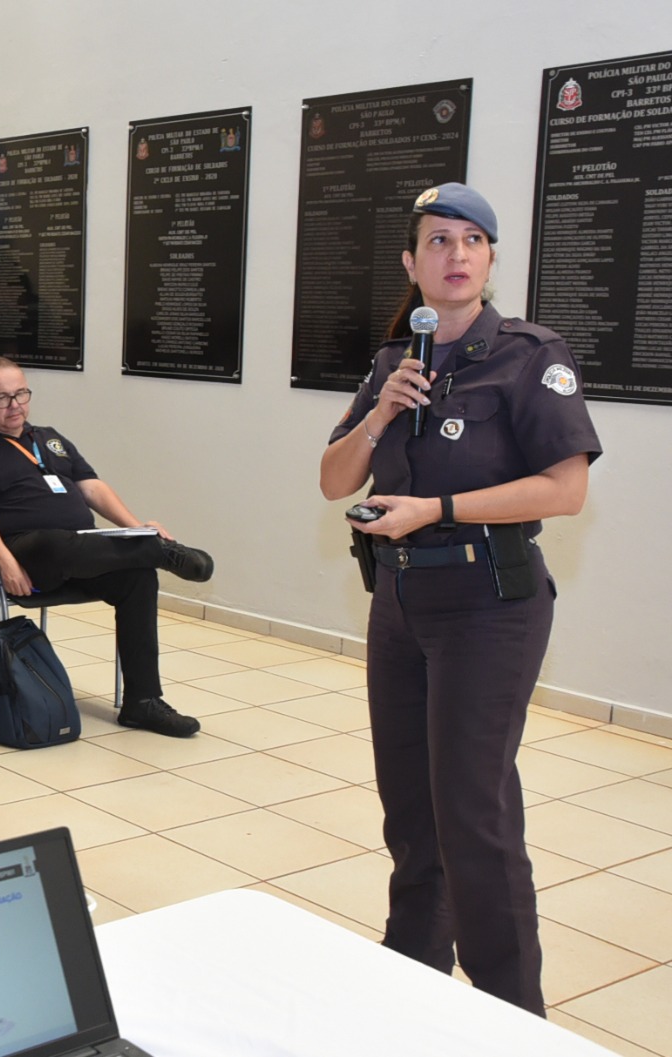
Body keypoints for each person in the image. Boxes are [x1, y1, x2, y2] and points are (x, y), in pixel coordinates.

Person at [318, 182, 602, 1016]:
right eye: (439, 241)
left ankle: (513, 1009)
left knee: (472, 811)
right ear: (412, 261)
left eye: (472, 241)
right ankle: (412, 978)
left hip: (489, 603)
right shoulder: (392, 362)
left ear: (490, 258)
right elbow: (334, 476)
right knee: (409, 804)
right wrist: (378, 417)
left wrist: (435, 509)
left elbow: (565, 489)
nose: (456, 255)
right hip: (401, 602)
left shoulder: (528, 353)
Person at [0, 356, 214, 739]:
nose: (14, 405)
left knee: (137, 576)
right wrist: (3, 560)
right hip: (16, 557)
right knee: (55, 542)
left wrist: (135, 529)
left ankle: (142, 702)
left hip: (79, 554)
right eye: (1, 398)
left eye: (20, 394)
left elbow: (91, 487)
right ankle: (159, 549)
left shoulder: (48, 438)